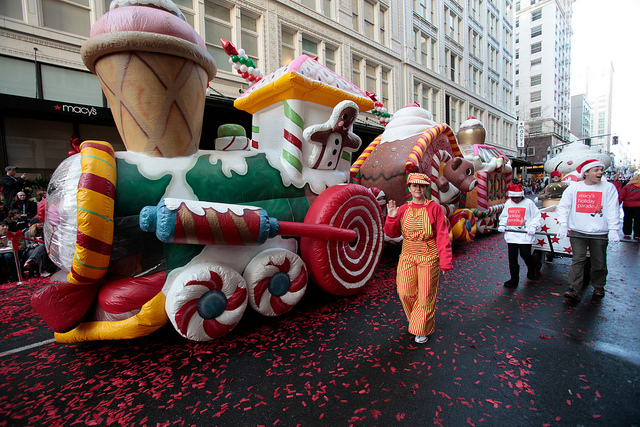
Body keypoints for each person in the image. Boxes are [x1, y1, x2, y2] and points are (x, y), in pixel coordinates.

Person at [383, 173, 453, 344]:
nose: (418, 188)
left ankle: (421, 328)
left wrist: (445, 261)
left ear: (426, 188)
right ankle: (418, 319)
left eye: (421, 186)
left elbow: (442, 235)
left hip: (428, 255)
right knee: (404, 292)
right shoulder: (402, 209)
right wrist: (391, 216)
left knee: (425, 295)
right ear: (409, 188)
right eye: (414, 185)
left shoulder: (434, 208)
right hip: (407, 254)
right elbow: (391, 233)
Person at [556, 159, 621, 300]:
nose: (600, 172)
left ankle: (598, 286)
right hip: (578, 231)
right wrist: (563, 224)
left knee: (599, 261)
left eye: (601, 170)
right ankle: (574, 289)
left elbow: (613, 209)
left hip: (599, 232)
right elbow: (563, 206)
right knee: (577, 260)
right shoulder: (574, 188)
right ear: (586, 172)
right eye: (596, 170)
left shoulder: (608, 188)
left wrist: (614, 229)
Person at [497, 183, 542, 287]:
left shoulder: (529, 203)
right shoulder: (508, 203)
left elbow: (536, 216)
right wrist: (503, 224)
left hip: (524, 235)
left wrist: (533, 226)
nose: (515, 200)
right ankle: (514, 279)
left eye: (517, 198)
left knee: (525, 255)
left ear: (521, 195)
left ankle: (532, 267)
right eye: (513, 198)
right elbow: (504, 215)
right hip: (512, 235)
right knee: (512, 258)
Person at [618, 174, 640, 240]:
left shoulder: (627, 187)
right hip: (638, 206)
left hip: (627, 205)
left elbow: (621, 196)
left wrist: (618, 203)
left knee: (627, 218)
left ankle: (627, 233)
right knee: (638, 220)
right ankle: (637, 234)